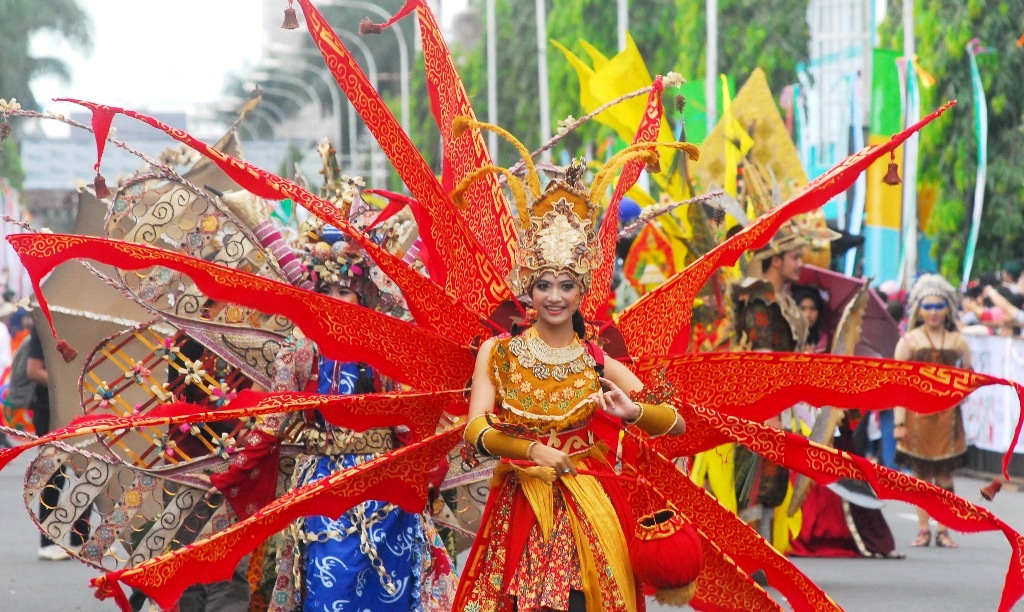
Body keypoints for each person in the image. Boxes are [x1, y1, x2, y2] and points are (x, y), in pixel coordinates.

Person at [454, 161, 686, 612]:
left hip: (590, 502)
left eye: (565, 285)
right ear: (530, 290)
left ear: (581, 292)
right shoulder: (498, 352)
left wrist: (632, 412)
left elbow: (675, 423)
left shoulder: (596, 359)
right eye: (543, 285)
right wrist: (532, 452)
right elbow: (475, 430)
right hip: (521, 504)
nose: (554, 296)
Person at [210, 213, 456, 611]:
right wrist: (233, 473)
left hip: (384, 486)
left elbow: (412, 423)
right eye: (327, 290)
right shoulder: (301, 349)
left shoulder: (387, 348)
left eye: (346, 291)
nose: (336, 301)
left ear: (363, 293)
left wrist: (425, 474)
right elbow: (271, 425)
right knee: (328, 589)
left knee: (393, 589)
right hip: (322, 487)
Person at [894, 274, 971, 549]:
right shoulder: (909, 341)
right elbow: (899, 384)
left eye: (939, 306)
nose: (934, 312)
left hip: (948, 418)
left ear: (948, 307)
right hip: (917, 418)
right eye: (928, 306)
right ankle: (924, 529)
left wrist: (962, 392)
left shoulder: (958, 342)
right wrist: (899, 421)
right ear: (918, 309)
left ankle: (944, 529)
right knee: (922, 477)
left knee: (946, 477)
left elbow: (969, 378)